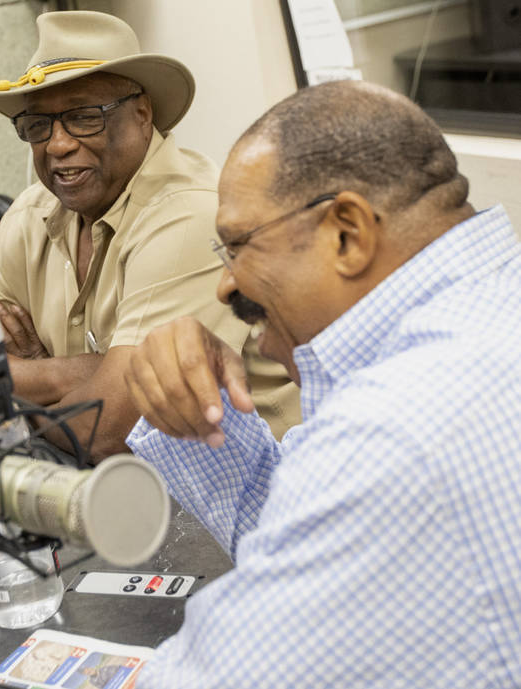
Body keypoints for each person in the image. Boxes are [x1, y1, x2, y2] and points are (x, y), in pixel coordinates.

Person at [125, 79, 521, 686]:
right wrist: (204, 411)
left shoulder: (393, 430)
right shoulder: (484, 311)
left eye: (238, 246)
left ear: (348, 235)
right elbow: (303, 553)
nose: (225, 286)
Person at [0, 11, 298, 461]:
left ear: (143, 114)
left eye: (83, 117)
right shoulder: (28, 216)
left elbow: (109, 431)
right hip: (110, 487)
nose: (56, 145)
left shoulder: (189, 213)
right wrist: (79, 376)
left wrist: (14, 383)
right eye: (37, 125)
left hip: (242, 494)